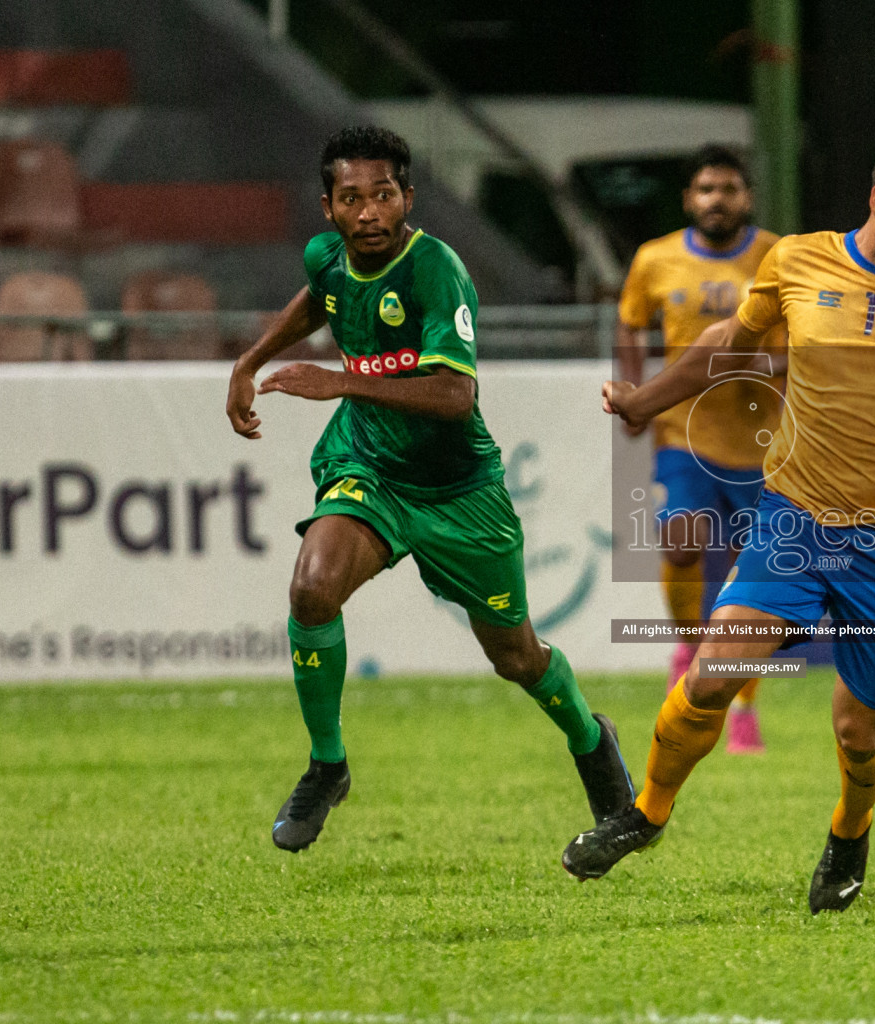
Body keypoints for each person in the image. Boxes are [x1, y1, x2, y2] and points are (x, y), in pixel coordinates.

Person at [563, 125, 875, 913]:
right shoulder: (798, 261)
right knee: (711, 677)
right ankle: (644, 815)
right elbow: (725, 343)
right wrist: (643, 401)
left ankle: (849, 831)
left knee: (857, 730)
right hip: (798, 522)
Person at [225, 126, 634, 853]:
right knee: (312, 589)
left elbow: (453, 393)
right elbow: (321, 297)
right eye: (351, 199)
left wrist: (340, 380)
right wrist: (251, 361)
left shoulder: (435, 269)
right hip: (369, 468)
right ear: (329, 208)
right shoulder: (326, 256)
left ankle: (588, 739)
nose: (369, 213)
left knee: (517, 659)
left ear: (408, 197)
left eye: (383, 195)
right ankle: (327, 766)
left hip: (458, 492)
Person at [615, 145, 781, 753]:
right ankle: (689, 648)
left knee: (754, 582)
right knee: (681, 540)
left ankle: (742, 704)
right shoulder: (655, 259)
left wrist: (752, 364)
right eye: (706, 189)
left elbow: (798, 342)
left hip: (761, 441)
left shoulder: (776, 257)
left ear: (748, 198)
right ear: (689, 199)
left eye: (730, 188)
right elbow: (630, 320)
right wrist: (638, 389)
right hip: (684, 431)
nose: (717, 199)